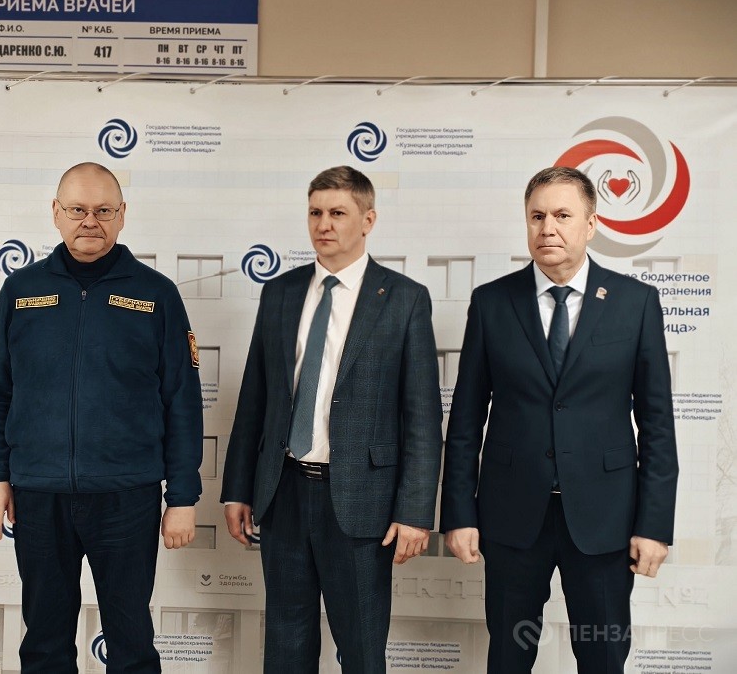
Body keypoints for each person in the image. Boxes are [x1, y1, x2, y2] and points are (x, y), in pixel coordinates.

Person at [440, 166, 678, 673]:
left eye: (563, 216)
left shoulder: (636, 303)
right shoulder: (491, 303)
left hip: (605, 519)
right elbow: (464, 422)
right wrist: (459, 513)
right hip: (511, 516)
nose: (547, 228)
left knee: (603, 657)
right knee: (508, 657)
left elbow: (657, 423)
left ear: (590, 224)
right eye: (537, 216)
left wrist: (654, 525)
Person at [0, 162, 203, 673]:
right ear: (56, 213)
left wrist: (182, 497)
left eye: (103, 210)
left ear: (122, 215)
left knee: (131, 642)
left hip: (128, 496)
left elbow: (182, 400)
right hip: (38, 495)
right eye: (77, 209)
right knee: (45, 642)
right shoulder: (20, 290)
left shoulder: (156, 294)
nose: (90, 221)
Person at [221, 166, 443, 673]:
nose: (324, 224)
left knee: (362, 651)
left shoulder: (405, 299)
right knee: (285, 649)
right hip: (283, 494)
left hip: (363, 502)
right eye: (315, 212)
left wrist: (414, 510)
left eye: (338, 213)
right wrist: (237, 489)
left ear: (368, 220)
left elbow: (422, 418)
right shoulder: (279, 293)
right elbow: (254, 398)